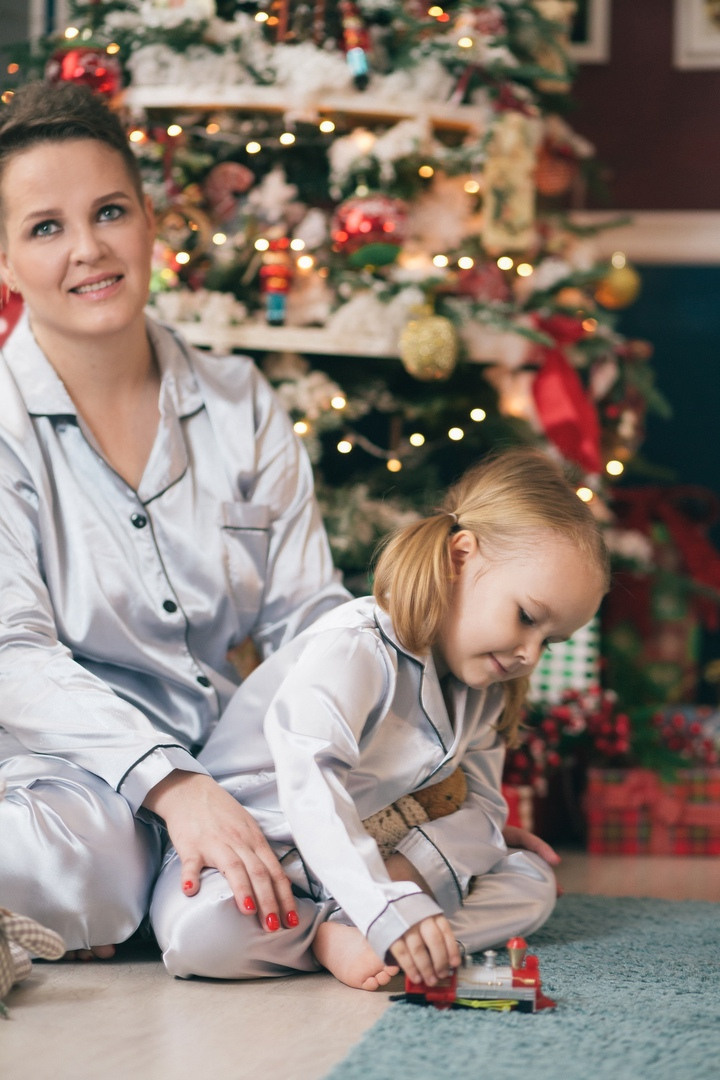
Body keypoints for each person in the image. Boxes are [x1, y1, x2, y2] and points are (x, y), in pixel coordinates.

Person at [0, 81, 351, 959]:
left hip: (236, 757)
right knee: (93, 868)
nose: (89, 249)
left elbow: (309, 620)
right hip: (71, 773)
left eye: (109, 211)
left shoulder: (243, 402)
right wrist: (169, 783)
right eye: (46, 227)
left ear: (151, 221)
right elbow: (14, 653)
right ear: (4, 261)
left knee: (224, 931)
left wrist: (413, 774)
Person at [150, 448, 609, 991]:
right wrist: (384, 901)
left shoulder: (487, 689)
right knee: (200, 935)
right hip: (266, 853)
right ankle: (330, 935)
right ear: (461, 558)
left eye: (548, 642)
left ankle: (393, 935)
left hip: (390, 862)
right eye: (527, 618)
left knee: (530, 883)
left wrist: (415, 871)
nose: (530, 654)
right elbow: (310, 785)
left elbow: (481, 806)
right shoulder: (357, 646)